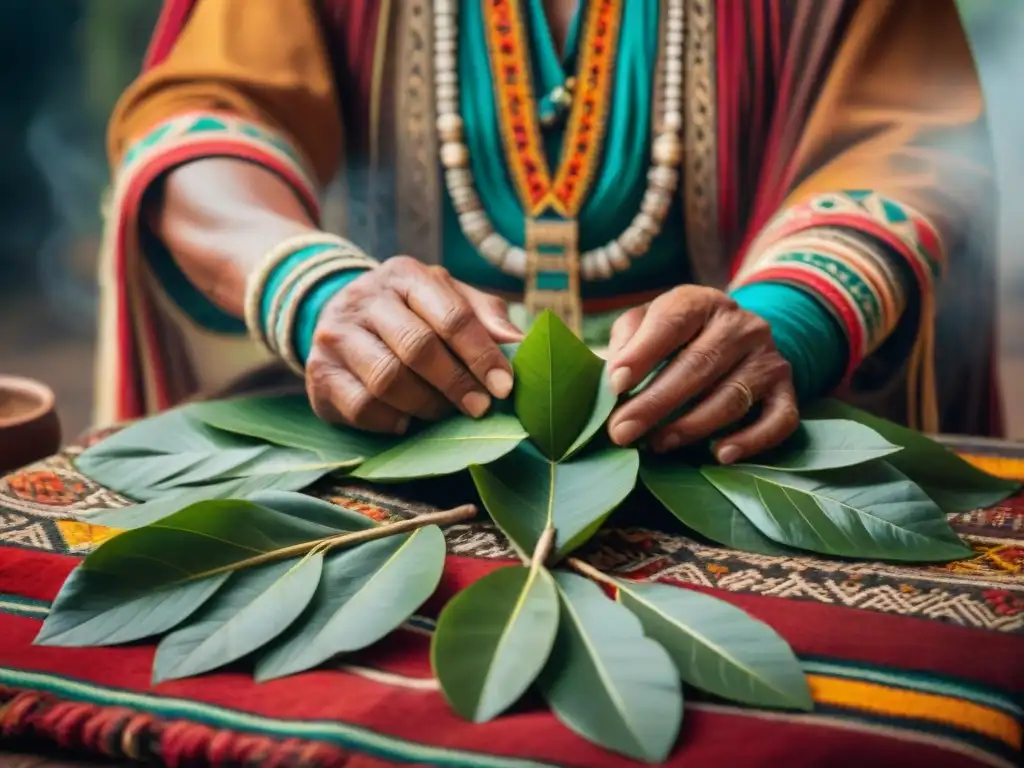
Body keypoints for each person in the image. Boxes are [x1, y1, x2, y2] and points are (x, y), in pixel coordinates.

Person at [98, 0, 1000, 466]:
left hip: (734, 445)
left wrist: (787, 322)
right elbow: (200, 128)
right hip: (405, 442)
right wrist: (321, 294)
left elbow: (914, 146)